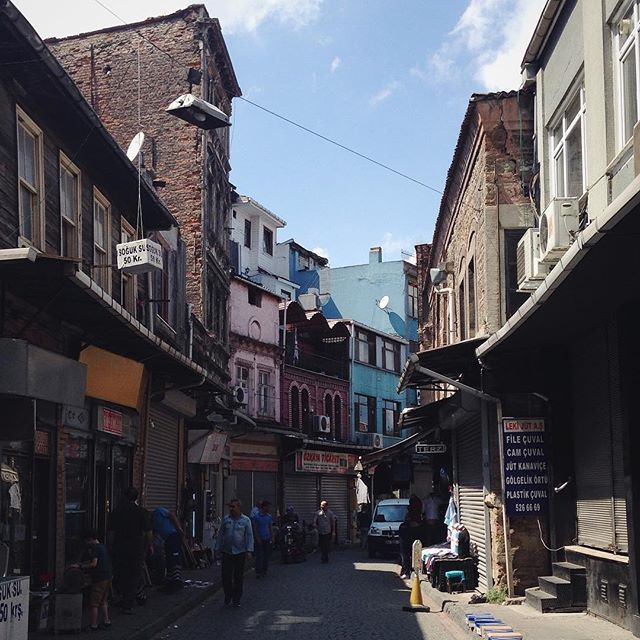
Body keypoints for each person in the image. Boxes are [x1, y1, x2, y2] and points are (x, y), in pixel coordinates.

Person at [107, 487, 152, 614]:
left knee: (121, 574)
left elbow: (111, 532)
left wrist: (110, 547)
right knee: (134, 575)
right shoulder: (141, 512)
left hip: (119, 548)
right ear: (136, 498)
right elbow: (148, 532)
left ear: (124, 496)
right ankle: (128, 603)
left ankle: (124, 599)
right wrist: (150, 546)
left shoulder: (116, 512)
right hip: (135, 549)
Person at [214, 499, 254, 607]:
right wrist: (217, 548)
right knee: (226, 575)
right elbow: (220, 535)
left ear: (238, 508)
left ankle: (237, 598)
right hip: (227, 552)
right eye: (230, 507)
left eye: (233, 507)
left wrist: (249, 550)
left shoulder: (246, 520)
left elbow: (249, 536)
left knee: (238, 576)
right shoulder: (226, 519)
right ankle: (228, 594)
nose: (231, 509)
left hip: (240, 552)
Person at [74, 529, 112, 631]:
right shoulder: (103, 547)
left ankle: (93, 625)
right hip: (108, 576)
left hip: (99, 578)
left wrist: (80, 566)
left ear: (90, 539)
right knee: (103, 601)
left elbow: (94, 564)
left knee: (94, 603)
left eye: (86, 541)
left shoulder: (95, 549)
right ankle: (106, 620)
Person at [151, 507, 185, 592]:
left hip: (173, 535)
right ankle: (170, 582)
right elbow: (154, 535)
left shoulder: (158, 511)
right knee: (170, 559)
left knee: (174, 559)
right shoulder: (154, 523)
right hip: (167, 539)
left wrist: (179, 529)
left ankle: (176, 581)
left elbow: (172, 515)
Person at [399, 494, 427, 579]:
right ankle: (415, 571)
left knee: (407, 553)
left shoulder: (412, 514)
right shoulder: (417, 514)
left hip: (409, 534)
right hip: (414, 532)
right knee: (415, 552)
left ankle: (408, 571)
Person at [251, 501, 274, 578]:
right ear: (263, 507)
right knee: (259, 555)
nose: (269, 508)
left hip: (267, 538)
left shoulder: (269, 517)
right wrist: (257, 538)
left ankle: (264, 569)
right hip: (259, 539)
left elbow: (270, 527)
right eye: (267, 507)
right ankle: (258, 571)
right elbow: (255, 529)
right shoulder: (257, 517)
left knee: (266, 555)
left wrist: (272, 537)